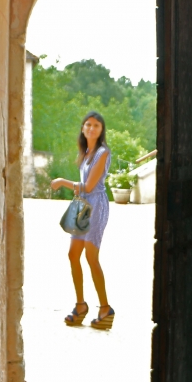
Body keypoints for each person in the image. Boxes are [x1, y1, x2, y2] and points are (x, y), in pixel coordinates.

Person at [51, 111, 114, 330]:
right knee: (73, 254)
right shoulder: (86, 152)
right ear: (83, 128)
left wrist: (62, 182)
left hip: (96, 206)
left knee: (91, 257)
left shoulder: (102, 152)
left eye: (96, 125)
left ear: (101, 130)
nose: (91, 128)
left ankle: (105, 308)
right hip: (84, 207)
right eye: (88, 124)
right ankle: (80, 305)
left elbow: (89, 186)